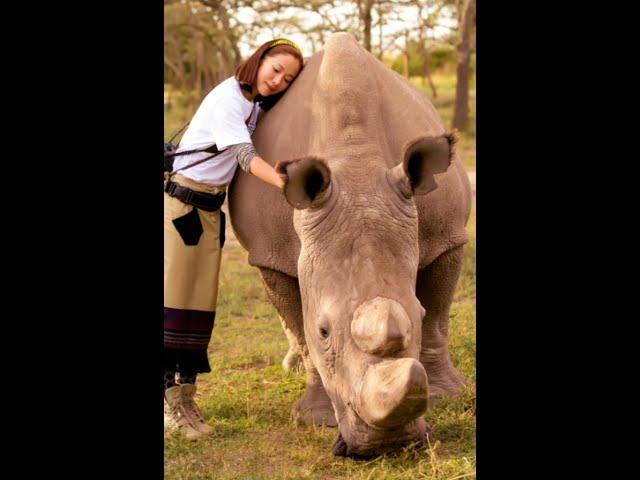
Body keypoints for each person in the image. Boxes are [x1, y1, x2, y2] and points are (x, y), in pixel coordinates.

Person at [164, 39, 304, 440]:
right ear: (258, 60)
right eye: (274, 69)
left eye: (288, 78)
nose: (278, 80)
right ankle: (171, 406)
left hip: (208, 213)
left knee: (197, 310)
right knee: (175, 305)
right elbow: (244, 155)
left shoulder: (253, 102)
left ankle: (184, 398)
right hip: (183, 210)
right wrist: (286, 183)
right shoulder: (228, 97)